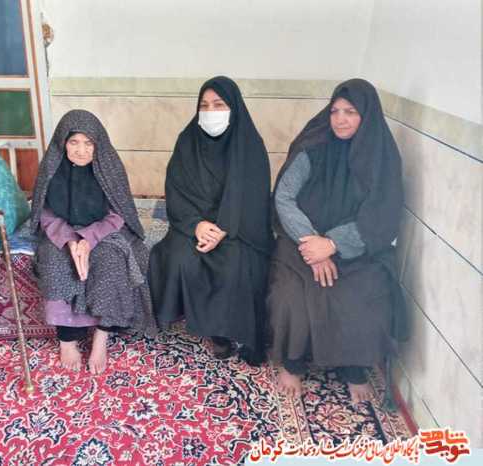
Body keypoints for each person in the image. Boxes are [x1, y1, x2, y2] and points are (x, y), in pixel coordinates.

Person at [267, 78, 408, 403]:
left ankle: (353, 366)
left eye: (350, 112)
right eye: (335, 111)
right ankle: (293, 362)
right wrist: (311, 243)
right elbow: (284, 197)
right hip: (301, 241)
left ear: (367, 116)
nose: (340, 119)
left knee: (366, 294)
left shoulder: (382, 158)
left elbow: (381, 216)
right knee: (291, 294)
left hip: (358, 248)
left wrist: (332, 245)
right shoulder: (314, 146)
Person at [148, 76, 273, 365]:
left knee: (235, 264)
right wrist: (197, 225)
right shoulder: (187, 140)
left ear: (234, 108)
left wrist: (224, 228)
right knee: (179, 256)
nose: (210, 112)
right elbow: (175, 190)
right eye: (204, 106)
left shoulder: (250, 144)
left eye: (218, 105)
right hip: (194, 223)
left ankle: (229, 329)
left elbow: (254, 198)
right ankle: (212, 329)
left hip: (238, 227)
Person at [30, 110, 154, 374]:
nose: (81, 150)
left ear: (98, 144)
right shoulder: (51, 168)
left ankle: (101, 338)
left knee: (111, 262)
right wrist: (69, 240)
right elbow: (45, 212)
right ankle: (67, 340)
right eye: (74, 142)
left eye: (89, 143)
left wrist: (88, 239)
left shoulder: (109, 167)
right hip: (61, 230)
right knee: (54, 261)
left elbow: (118, 213)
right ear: (63, 143)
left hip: (103, 230)